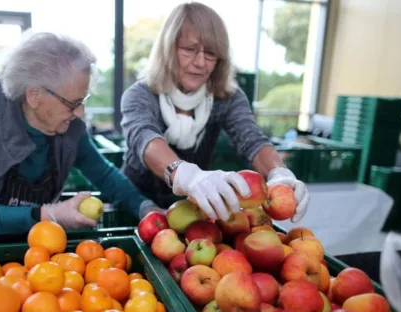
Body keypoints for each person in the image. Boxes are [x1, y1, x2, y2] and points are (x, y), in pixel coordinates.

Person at [0, 31, 158, 251]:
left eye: (83, 101)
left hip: (28, 258)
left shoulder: (69, 127)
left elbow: (105, 175)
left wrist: (145, 208)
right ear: (34, 95)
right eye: (73, 103)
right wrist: (48, 214)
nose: (80, 113)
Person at [120, 2, 309, 222]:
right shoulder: (140, 95)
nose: (200, 62)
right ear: (168, 49)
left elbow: (252, 139)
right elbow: (144, 138)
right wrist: (183, 174)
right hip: (136, 205)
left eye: (211, 53)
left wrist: (279, 173)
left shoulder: (226, 98)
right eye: (189, 49)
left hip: (194, 211)